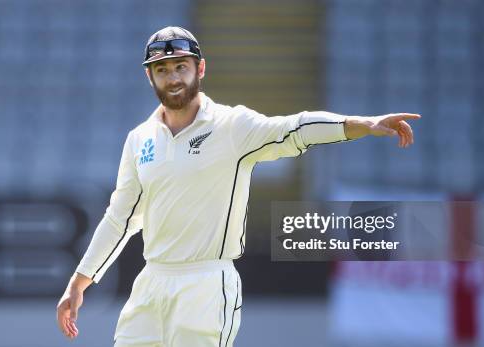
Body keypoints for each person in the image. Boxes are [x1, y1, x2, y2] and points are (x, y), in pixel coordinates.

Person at [56, 26, 420, 347]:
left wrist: (362, 123)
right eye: (162, 70)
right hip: (150, 282)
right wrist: (79, 282)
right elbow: (120, 218)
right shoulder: (140, 139)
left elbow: (294, 129)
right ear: (150, 78)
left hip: (207, 283)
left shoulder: (232, 126)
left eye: (181, 66)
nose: (173, 78)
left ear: (200, 69)